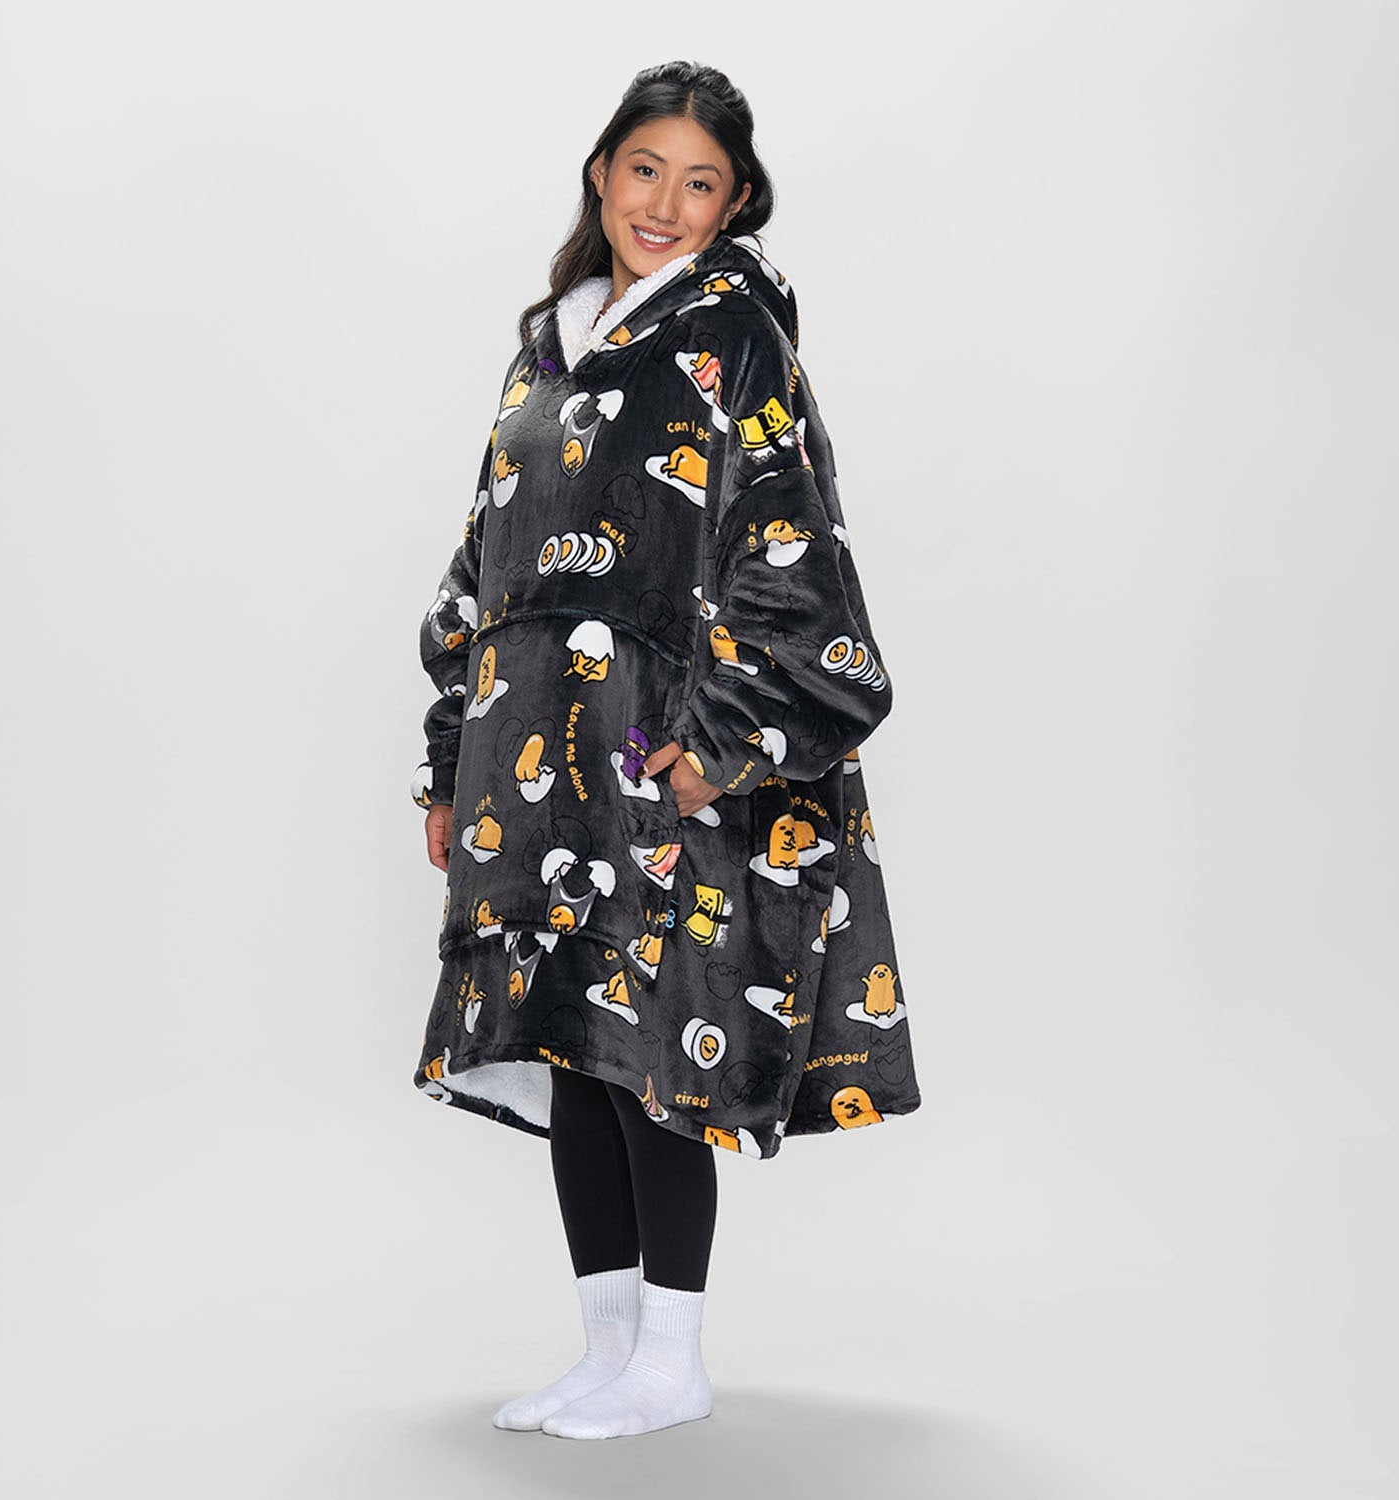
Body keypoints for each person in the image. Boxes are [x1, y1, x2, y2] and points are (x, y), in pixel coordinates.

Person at [409, 60, 922, 1440]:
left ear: (736, 202)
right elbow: (486, 560)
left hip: (655, 765)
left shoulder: (735, 336)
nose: (665, 203)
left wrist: (716, 748)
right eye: (646, 169)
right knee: (575, 1051)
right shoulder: (546, 348)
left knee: (656, 1060)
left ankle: (674, 1361)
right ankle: (609, 1350)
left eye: (701, 183)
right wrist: (453, 755)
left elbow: (791, 548)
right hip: (536, 763)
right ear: (602, 172)